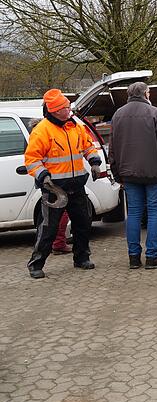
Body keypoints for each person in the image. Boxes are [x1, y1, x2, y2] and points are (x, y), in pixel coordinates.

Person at [24, 89, 103, 279]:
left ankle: (81, 258)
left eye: (68, 106)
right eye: (65, 108)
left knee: (82, 224)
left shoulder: (74, 126)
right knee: (48, 229)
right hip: (54, 189)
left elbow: (87, 146)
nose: (69, 110)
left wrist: (94, 162)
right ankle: (36, 264)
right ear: (54, 111)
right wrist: (43, 176)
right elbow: (32, 159)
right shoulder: (42, 131)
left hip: (76, 186)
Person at [109, 82, 157, 270]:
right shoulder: (156, 114)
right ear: (146, 94)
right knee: (154, 213)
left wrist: (117, 174)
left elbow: (112, 149)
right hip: (153, 173)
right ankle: (152, 256)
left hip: (129, 175)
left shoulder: (118, 115)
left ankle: (133, 257)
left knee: (134, 213)